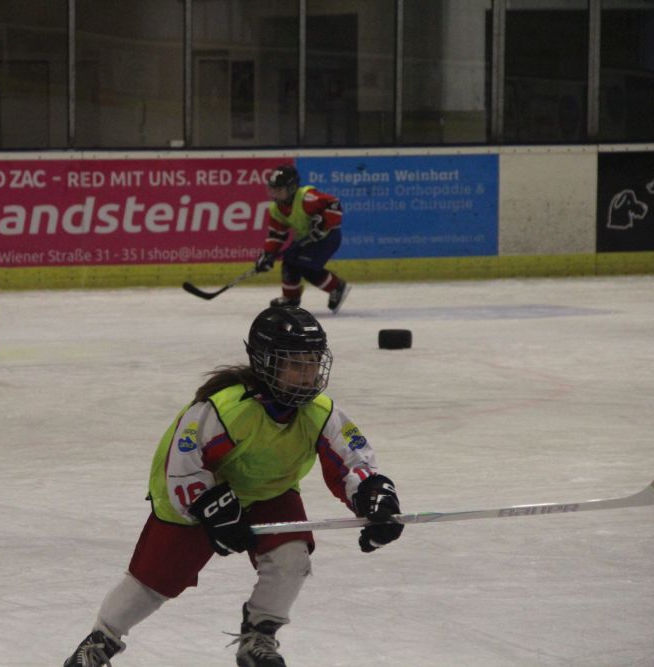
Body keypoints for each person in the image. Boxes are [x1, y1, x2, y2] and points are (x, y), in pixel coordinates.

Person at [63, 306, 404, 667]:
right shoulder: (224, 410)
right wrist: (213, 508)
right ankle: (99, 641)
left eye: (313, 363)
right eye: (295, 364)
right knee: (154, 582)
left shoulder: (320, 413)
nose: (308, 375)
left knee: (291, 559)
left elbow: (353, 461)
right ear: (265, 362)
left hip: (268, 493)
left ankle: (258, 637)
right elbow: (181, 467)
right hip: (194, 496)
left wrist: (374, 498)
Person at [253, 165, 351, 314]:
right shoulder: (276, 209)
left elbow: (334, 204)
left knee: (307, 268)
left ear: (292, 188)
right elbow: (276, 235)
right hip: (305, 240)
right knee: (289, 262)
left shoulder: (306, 198)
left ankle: (337, 287)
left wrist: (323, 224)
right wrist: (268, 254)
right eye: (272, 189)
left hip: (327, 238)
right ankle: (291, 299)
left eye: (279, 190)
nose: (274, 194)